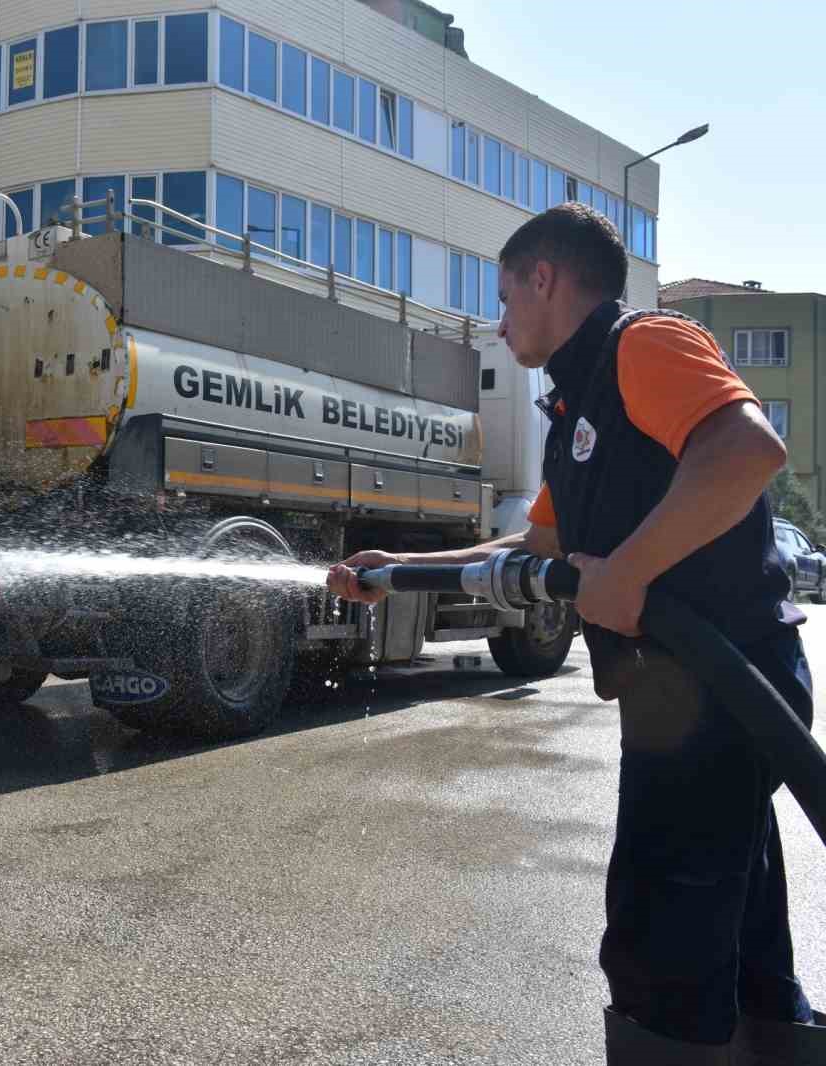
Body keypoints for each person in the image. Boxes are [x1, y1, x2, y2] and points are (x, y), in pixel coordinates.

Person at [328, 203, 822, 1064]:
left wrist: (628, 569)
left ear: (545, 278)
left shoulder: (646, 345)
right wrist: (396, 566)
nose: (499, 317)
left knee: (658, 945)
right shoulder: (578, 408)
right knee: (739, 928)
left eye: (505, 294)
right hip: (686, 698)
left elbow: (747, 451)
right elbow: (538, 549)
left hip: (724, 686)